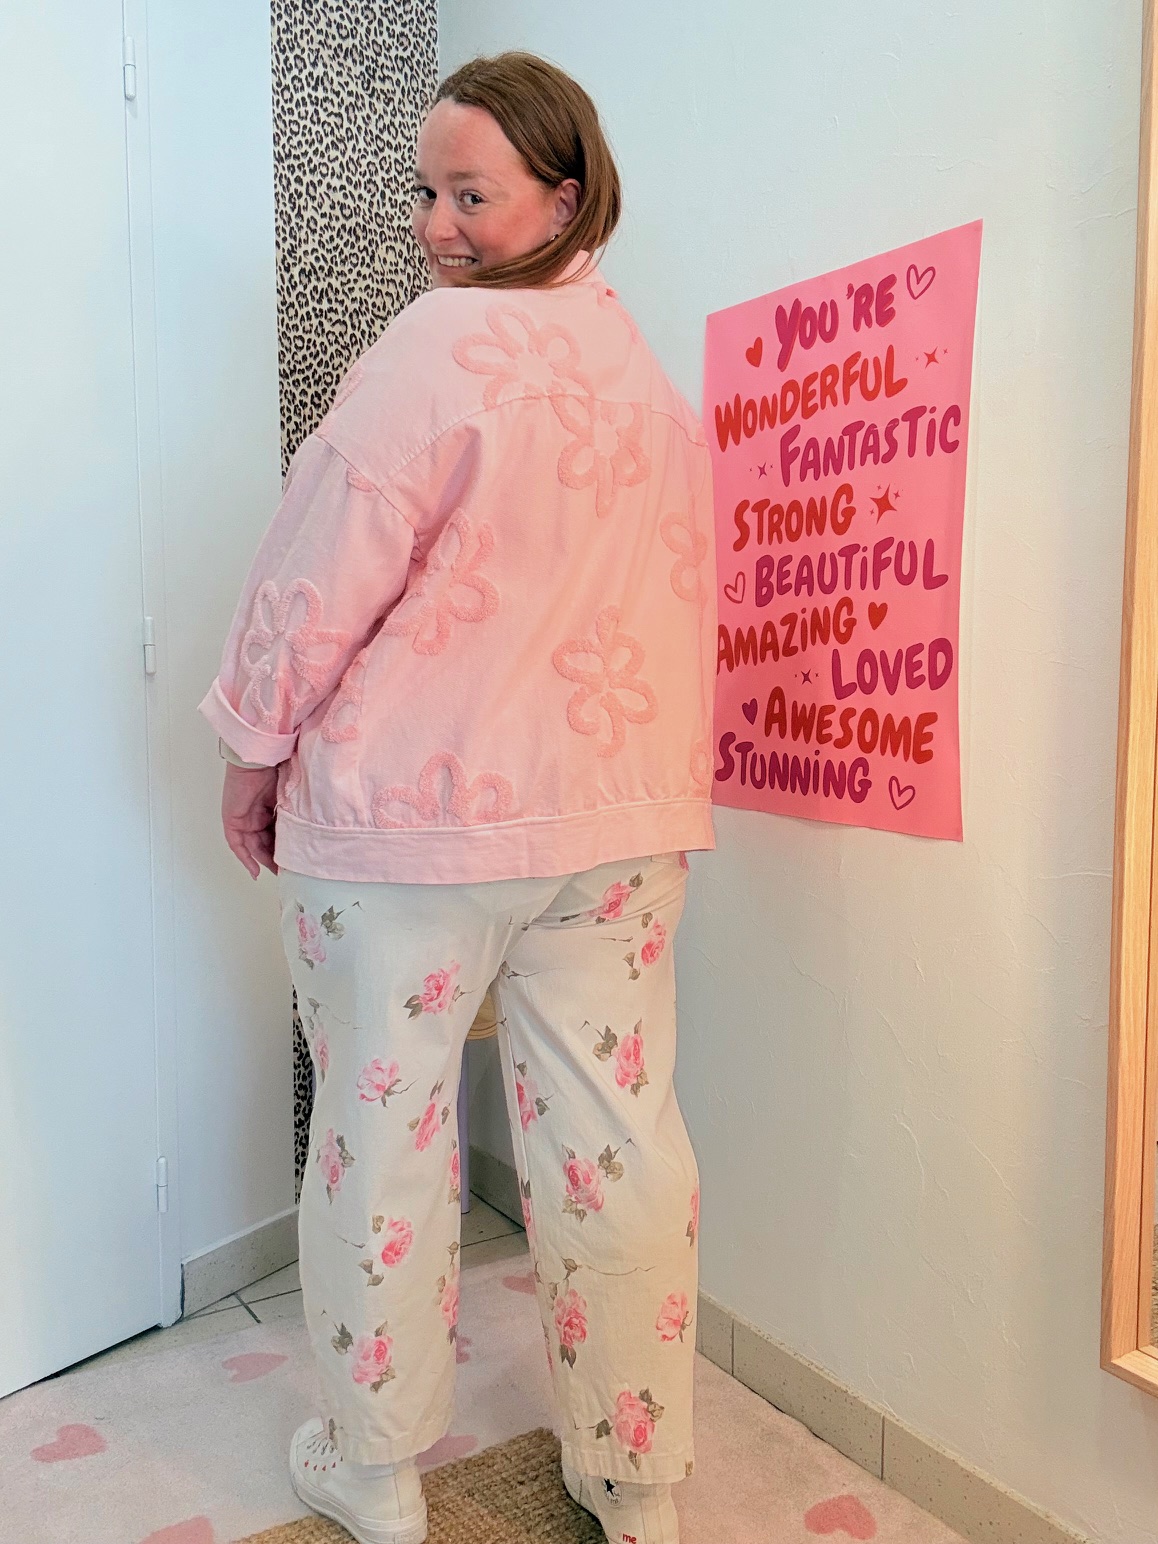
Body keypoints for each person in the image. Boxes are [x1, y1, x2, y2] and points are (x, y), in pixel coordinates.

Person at [200, 50, 715, 1544]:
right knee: (617, 1139)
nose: (436, 225)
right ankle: (637, 1474)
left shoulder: (436, 346)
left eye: (470, 195)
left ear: (564, 194)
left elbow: (322, 559)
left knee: (385, 1131)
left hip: (410, 830)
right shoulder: (643, 374)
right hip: (615, 824)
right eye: (426, 191)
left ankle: (373, 1472)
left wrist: (252, 745)